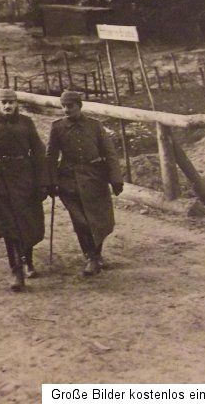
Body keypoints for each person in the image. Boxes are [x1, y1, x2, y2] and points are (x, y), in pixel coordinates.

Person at [0, 88, 51, 291]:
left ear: (16, 104)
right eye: (4, 102)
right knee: (8, 227)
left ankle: (28, 260)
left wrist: (44, 182)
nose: (7, 106)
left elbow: (39, 154)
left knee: (27, 222)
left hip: (25, 178)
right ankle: (17, 271)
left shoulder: (26, 123)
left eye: (11, 102)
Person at [46, 90, 124, 276]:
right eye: (63, 106)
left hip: (94, 178)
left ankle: (96, 254)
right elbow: (50, 156)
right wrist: (50, 181)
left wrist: (116, 178)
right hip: (69, 180)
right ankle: (91, 256)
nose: (66, 110)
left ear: (79, 106)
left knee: (98, 220)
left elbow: (110, 153)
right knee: (81, 221)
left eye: (70, 106)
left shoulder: (95, 126)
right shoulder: (57, 127)